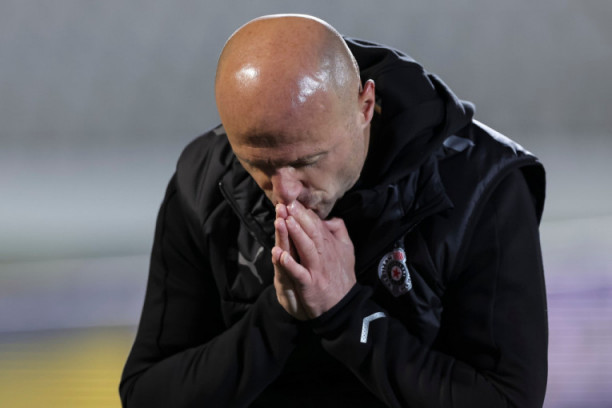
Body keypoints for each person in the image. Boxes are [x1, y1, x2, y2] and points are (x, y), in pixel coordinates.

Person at [120, 14, 548, 408]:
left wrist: (345, 311)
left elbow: (508, 400)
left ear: (365, 107)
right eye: (258, 164)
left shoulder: (482, 184)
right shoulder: (203, 179)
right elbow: (146, 393)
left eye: (307, 161)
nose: (285, 193)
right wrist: (279, 317)